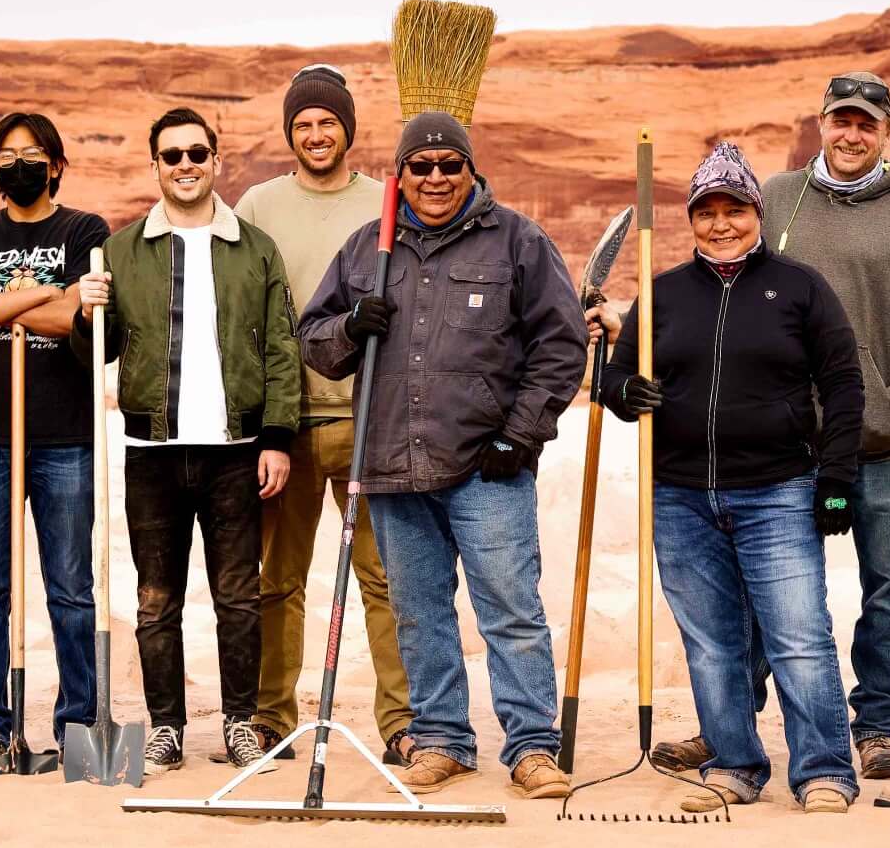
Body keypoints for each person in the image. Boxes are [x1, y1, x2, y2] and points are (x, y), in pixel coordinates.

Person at [296, 108, 585, 800]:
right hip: (393, 465)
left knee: (510, 609)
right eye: (419, 167)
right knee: (418, 612)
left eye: (448, 165)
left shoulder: (516, 240)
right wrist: (348, 325)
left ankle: (532, 747)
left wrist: (522, 431)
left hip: (486, 467)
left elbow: (561, 343)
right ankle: (444, 739)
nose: (434, 177)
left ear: (469, 169)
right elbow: (311, 338)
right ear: (400, 175)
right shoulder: (370, 248)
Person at [595, 142, 867, 810]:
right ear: (690, 219)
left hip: (777, 490)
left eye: (735, 209)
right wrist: (624, 390)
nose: (721, 224)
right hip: (680, 497)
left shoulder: (800, 287)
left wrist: (836, 477)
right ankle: (736, 766)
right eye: (707, 211)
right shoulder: (663, 295)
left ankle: (824, 771)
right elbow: (609, 378)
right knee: (713, 645)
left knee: (799, 636)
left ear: (757, 211)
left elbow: (843, 384)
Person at [751, 72, 890, 779]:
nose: (852, 135)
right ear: (821, 123)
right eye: (841, 121)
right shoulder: (775, 199)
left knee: (887, 588)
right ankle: (736, 723)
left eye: (867, 123)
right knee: (767, 588)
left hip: (884, 441)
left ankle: (880, 728)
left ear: (887, 130)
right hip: (788, 442)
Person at [103, 105, 300, 772]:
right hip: (152, 454)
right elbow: (97, 350)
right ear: (154, 165)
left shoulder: (254, 248)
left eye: (196, 154)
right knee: (156, 600)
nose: (185, 165)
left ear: (217, 161)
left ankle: (241, 724)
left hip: (235, 451)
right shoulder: (122, 251)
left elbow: (279, 349)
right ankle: (165, 728)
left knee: (238, 596)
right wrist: (84, 310)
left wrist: (276, 437)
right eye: (171, 155)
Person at [235, 66, 416, 762]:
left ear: (346, 130)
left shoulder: (386, 201)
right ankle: (271, 717)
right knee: (277, 580)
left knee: (383, 579)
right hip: (284, 423)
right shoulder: (259, 205)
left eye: (327, 122)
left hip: (371, 418)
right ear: (291, 133)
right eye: (303, 124)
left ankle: (401, 724)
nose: (316, 134)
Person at [0, 110, 111, 774]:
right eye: (6, 156)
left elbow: (79, 316)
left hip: (66, 434)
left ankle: (78, 727)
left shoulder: (85, 230)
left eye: (33, 154)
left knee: (71, 587)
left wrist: (8, 299)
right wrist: (48, 292)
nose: (20, 165)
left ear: (58, 165)